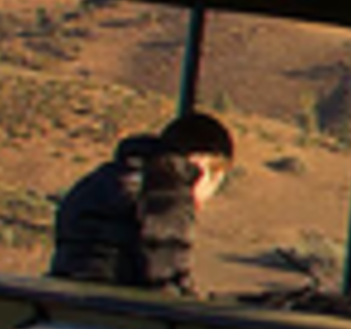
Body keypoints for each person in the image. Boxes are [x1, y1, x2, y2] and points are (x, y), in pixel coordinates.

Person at [51, 109, 234, 292]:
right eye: (215, 182)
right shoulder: (167, 192)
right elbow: (165, 278)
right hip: (112, 309)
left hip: (66, 304)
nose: (205, 198)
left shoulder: (100, 181)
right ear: (199, 162)